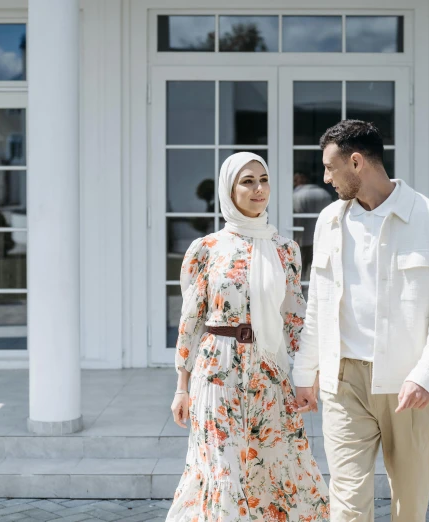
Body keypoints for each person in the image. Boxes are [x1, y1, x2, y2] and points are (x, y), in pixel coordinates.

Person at [293, 120, 429, 522]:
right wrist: (305, 372)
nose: (324, 178)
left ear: (356, 163)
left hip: (407, 382)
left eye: (330, 168)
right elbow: (317, 301)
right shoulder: (330, 222)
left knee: (409, 502)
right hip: (343, 380)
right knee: (347, 504)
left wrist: (426, 373)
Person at [167, 152, 330, 522]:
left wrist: (308, 376)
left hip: (268, 370)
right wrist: (181, 384)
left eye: (264, 179)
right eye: (247, 181)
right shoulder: (206, 249)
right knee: (222, 468)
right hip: (216, 368)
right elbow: (190, 320)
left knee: (279, 463)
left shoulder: (285, 250)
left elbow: (293, 318)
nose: (259, 189)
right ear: (229, 188)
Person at [293, 172, 332, 280]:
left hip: (303, 237)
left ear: (304, 179)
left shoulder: (296, 195)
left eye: (296, 180)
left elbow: (297, 219)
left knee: (302, 267)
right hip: (323, 235)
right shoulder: (323, 193)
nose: (294, 183)